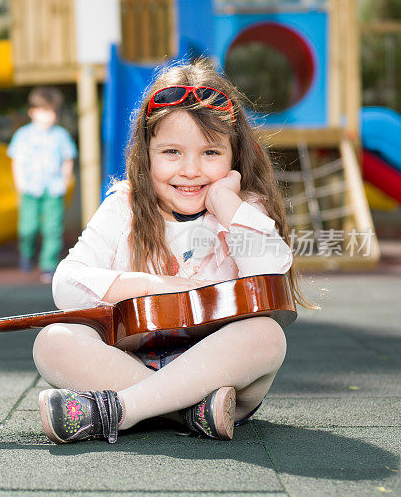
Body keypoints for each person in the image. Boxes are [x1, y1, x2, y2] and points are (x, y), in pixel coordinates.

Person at [34, 60, 310, 445]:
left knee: (266, 336)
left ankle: (120, 410)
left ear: (234, 156)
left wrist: (225, 203)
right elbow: (66, 283)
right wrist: (152, 285)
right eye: (172, 152)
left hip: (220, 374)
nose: (191, 170)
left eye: (211, 153)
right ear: (146, 154)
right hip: (135, 366)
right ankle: (189, 412)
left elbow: (271, 272)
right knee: (53, 340)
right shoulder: (123, 206)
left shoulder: (244, 210)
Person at [7, 87, 77, 284]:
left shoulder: (60, 135)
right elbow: (17, 160)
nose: (47, 116)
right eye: (42, 111)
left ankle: (48, 264)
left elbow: (67, 159)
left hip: (53, 188)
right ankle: (27, 253)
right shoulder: (23, 135)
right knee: (27, 227)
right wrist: (19, 183)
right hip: (30, 188)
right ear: (32, 112)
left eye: (51, 112)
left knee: (52, 228)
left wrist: (65, 180)